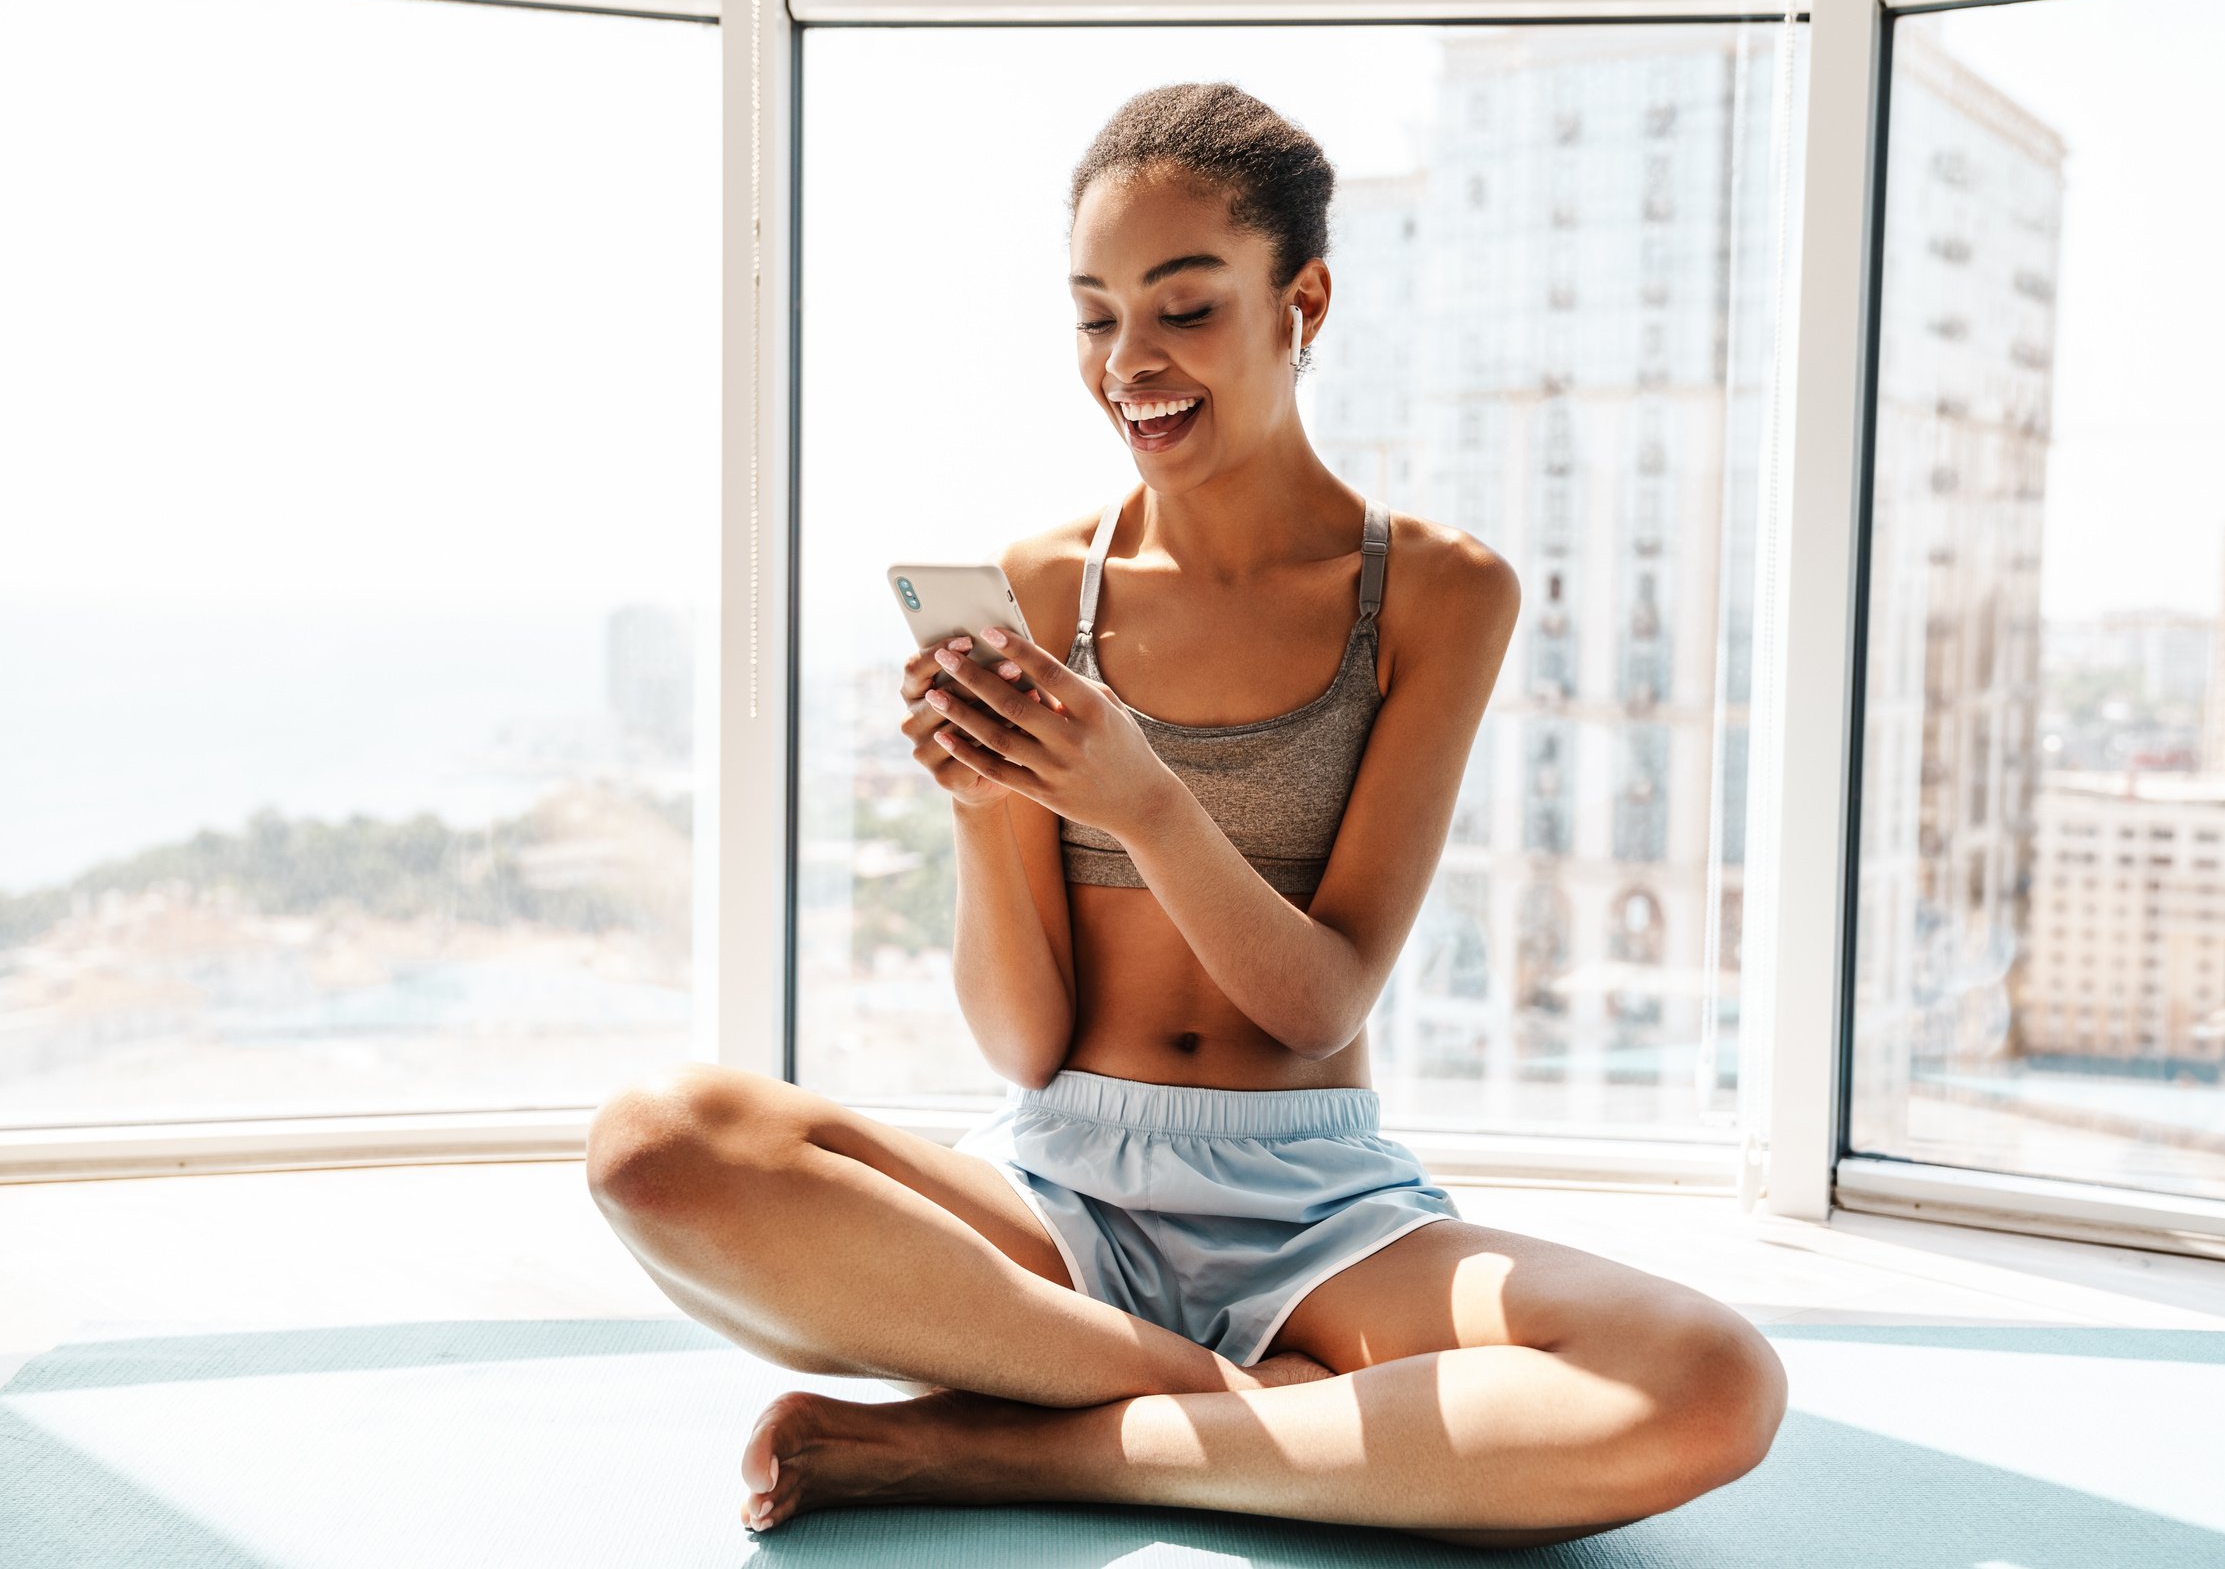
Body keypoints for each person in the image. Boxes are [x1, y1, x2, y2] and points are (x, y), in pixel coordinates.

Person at [585, 80, 1785, 1548]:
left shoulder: (1436, 592)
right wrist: (982, 808)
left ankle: (1022, 1447)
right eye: (1094, 316)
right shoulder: (1037, 587)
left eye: (1184, 307)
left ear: (1305, 299)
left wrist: (1140, 801)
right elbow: (1025, 1044)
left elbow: (1316, 1000)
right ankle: (1221, 1404)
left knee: (1707, 1383)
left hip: (1322, 1215)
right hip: (1056, 1198)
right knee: (657, 1145)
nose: (1128, 361)